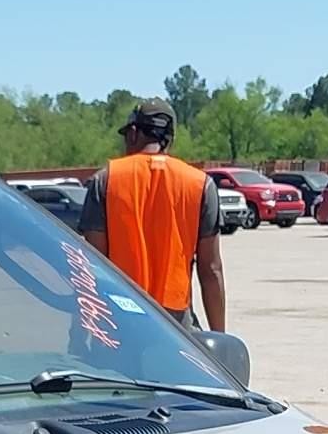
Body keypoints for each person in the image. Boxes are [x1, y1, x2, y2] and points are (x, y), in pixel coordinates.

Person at [78, 99, 227, 333]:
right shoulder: (200, 185)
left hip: (120, 319)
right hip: (176, 324)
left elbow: (94, 265)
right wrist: (220, 339)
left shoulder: (106, 180)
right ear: (170, 138)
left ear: (134, 134)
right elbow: (211, 269)